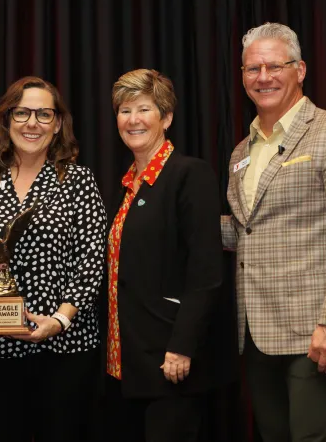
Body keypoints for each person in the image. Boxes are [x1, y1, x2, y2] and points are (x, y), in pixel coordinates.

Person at [221, 22, 326, 441]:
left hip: (316, 331)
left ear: (301, 69)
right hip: (258, 334)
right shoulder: (243, 150)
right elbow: (248, 231)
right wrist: (181, 227)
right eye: (252, 68)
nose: (263, 77)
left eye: (276, 65)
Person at [0, 76, 107, 442]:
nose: (32, 123)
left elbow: (92, 261)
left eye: (44, 114)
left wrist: (61, 320)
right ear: (6, 119)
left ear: (58, 124)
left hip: (65, 345)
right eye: (22, 113)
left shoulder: (78, 181)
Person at [103, 68, 230, 442]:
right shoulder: (125, 184)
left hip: (170, 361)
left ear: (167, 117)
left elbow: (206, 272)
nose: (133, 120)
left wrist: (181, 347)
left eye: (144, 109)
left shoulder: (189, 174)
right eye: (125, 111)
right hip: (124, 362)